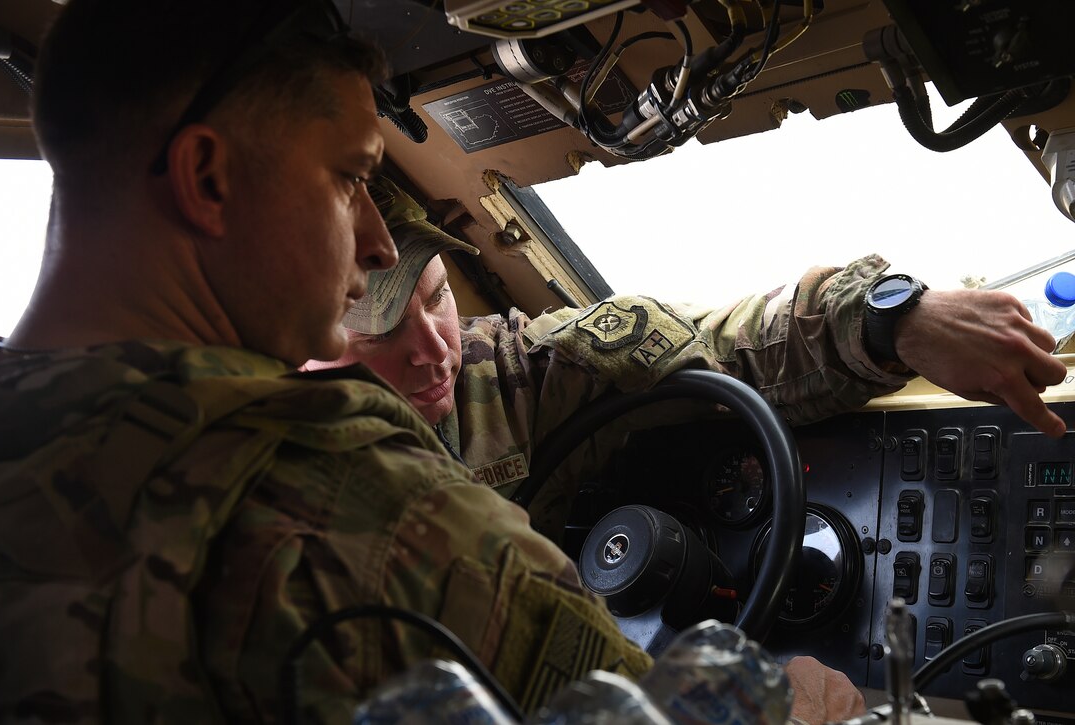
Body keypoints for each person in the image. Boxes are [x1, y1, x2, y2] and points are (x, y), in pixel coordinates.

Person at [0, 0, 864, 723]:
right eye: (346, 178)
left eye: (439, 293)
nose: (373, 239)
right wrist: (784, 703)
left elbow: (609, 343)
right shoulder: (321, 484)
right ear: (208, 178)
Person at [311, 175, 1069, 539]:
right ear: (297, 341)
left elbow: (721, 346)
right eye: (380, 334)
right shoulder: (266, 487)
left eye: (438, 296)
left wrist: (893, 317)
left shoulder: (501, 373)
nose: (433, 349)